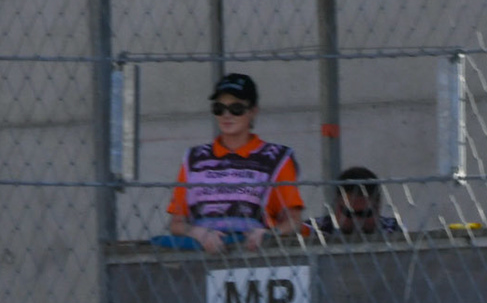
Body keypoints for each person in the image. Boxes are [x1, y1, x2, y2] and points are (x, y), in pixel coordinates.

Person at [165, 73, 304, 253]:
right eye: (219, 108)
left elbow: (294, 220)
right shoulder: (194, 158)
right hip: (201, 260)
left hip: (255, 257)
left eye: (236, 108)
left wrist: (269, 233)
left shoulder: (276, 158)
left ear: (253, 111)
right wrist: (197, 232)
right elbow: (176, 223)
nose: (226, 115)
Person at [309, 166, 404, 237]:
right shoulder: (314, 230)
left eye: (365, 213)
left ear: (378, 208)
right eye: (349, 213)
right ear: (336, 206)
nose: (357, 221)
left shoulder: (392, 229)